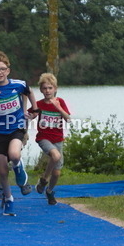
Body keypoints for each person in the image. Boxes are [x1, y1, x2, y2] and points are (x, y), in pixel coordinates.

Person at [0, 50, 37, 216]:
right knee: (2, 171)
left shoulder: (18, 84)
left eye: (2, 69)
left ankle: (19, 169)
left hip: (15, 128)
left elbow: (29, 91)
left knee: (15, 154)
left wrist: (33, 110)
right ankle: (9, 199)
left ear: (8, 70)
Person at [34, 73, 71, 205]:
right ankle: (43, 180)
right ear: (41, 90)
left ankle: (49, 191)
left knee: (56, 173)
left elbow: (68, 119)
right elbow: (30, 114)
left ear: (55, 88)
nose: (47, 91)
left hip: (58, 139)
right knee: (55, 155)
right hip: (43, 138)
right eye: (44, 88)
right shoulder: (39, 104)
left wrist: (58, 108)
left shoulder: (60, 102)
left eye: (50, 88)